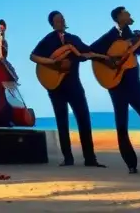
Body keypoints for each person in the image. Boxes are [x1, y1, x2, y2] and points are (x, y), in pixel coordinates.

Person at [30, 10, 113, 168]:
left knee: (84, 119)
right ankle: (67, 158)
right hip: (55, 86)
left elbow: (88, 52)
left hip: (74, 84)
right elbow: (33, 56)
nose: (61, 21)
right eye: (57, 20)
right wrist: (53, 63)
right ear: (52, 24)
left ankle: (90, 158)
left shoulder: (73, 39)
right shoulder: (48, 40)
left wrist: (104, 56)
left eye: (62, 19)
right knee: (62, 122)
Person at [89, 6, 140, 174]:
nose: (130, 15)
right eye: (126, 13)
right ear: (118, 17)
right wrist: (109, 60)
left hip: (133, 83)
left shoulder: (136, 36)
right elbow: (89, 52)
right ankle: (131, 164)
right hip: (115, 84)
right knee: (122, 125)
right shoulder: (109, 37)